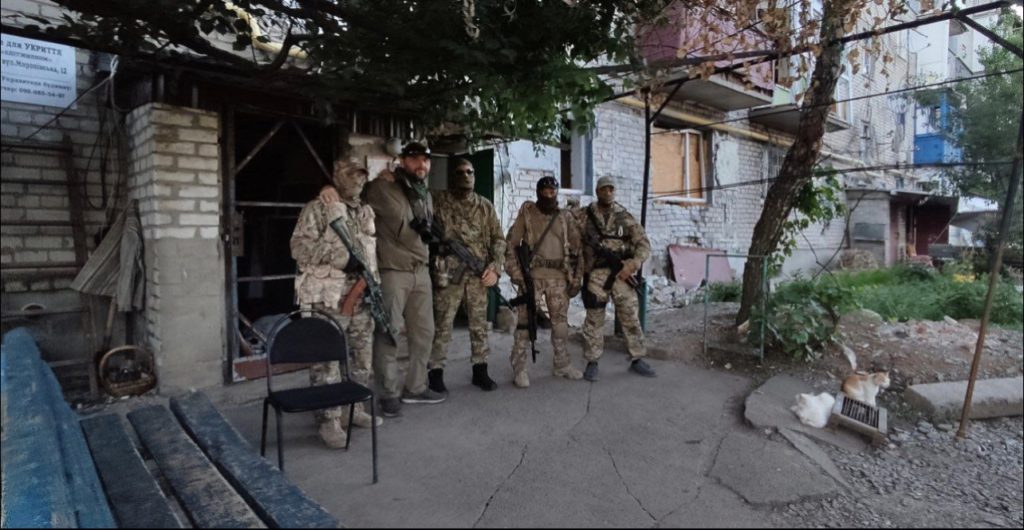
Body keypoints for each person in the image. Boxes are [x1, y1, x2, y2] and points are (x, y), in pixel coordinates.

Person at [320, 142, 445, 417]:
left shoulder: (424, 193)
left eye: (425, 160)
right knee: (389, 334)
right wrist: (327, 189)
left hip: (421, 271)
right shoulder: (381, 187)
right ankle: (389, 394)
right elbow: (351, 196)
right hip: (393, 271)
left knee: (425, 333)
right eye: (414, 159)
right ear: (402, 160)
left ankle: (416, 387)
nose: (421, 164)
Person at [290, 159, 382, 449]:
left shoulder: (365, 210)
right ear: (337, 176)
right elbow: (299, 248)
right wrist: (338, 255)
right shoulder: (317, 209)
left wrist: (374, 285)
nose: (357, 180)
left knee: (361, 358)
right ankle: (328, 419)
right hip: (328, 297)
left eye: (361, 175)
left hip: (361, 296)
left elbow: (370, 253)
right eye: (351, 175)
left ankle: (353, 407)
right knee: (326, 361)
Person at [428, 159, 506, 393]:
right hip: (448, 274)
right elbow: (416, 200)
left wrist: (495, 268)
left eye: (470, 171)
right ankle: (435, 372)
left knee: (479, 325)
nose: (466, 175)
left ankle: (480, 371)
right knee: (442, 324)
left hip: (477, 274)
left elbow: (498, 239)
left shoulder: (484, 206)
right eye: (460, 172)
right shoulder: (438, 200)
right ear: (453, 176)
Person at [504, 176, 584, 388]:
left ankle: (562, 364)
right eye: (545, 191)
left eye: (552, 191)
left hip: (558, 278)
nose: (549, 195)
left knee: (560, 324)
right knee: (524, 324)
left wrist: (577, 277)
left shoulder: (565, 216)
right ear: (538, 192)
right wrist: (515, 273)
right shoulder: (527, 214)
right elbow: (510, 244)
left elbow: (578, 249)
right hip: (532, 278)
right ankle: (520, 367)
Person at [579, 176, 657, 381]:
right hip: (596, 274)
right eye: (604, 189)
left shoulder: (625, 216)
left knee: (630, 315)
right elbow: (571, 236)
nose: (608, 192)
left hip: (621, 273)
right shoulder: (585, 215)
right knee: (594, 318)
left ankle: (637, 358)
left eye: (611, 189)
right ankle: (592, 361)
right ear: (597, 191)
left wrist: (633, 264)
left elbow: (643, 244)